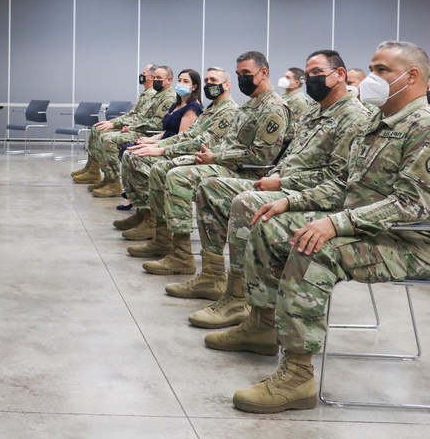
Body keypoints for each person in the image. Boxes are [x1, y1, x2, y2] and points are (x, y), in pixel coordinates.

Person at [206, 41, 430, 414]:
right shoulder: (379, 122)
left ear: (413, 77)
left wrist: (335, 223)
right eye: (371, 68)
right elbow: (345, 184)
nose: (372, 77)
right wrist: (290, 202)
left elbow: (412, 205)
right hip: (365, 227)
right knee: (270, 222)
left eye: (383, 70)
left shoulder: (422, 127)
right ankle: (261, 324)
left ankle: (298, 375)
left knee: (315, 247)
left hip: (408, 239)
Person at [172, 50, 371, 326]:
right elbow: (289, 158)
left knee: (244, 203)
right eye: (307, 72)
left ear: (340, 75)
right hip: (279, 183)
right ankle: (213, 276)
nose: (309, 78)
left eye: (317, 73)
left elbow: (337, 178)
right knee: (211, 188)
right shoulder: (315, 111)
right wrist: (277, 177)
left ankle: (242, 300)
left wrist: (282, 182)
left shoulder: (355, 117)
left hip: (313, 197)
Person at [136, 51, 291, 275]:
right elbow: (224, 143)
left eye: (246, 73)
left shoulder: (273, 107)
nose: (242, 79)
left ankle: (189, 258)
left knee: (178, 175)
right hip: (228, 163)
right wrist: (202, 154)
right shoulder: (249, 105)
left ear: (263, 72)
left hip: (248, 173)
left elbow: (262, 156)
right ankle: (168, 241)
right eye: (239, 74)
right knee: (164, 167)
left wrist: (215, 157)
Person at [117, 68, 237, 239]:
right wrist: (159, 144)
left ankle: (165, 234)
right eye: (207, 80)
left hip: (207, 158)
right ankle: (147, 216)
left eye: (214, 81)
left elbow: (201, 142)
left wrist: (162, 149)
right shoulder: (213, 108)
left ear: (226, 85)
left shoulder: (228, 110)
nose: (209, 84)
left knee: (158, 168)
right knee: (132, 154)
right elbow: (187, 135)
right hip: (190, 152)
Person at [116, 69, 203, 211]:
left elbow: (181, 138)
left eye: (186, 81)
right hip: (164, 142)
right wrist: (150, 139)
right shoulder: (176, 104)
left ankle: (147, 209)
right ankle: (137, 202)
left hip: (174, 149)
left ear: (194, 87)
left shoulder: (192, 108)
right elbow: (166, 130)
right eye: (180, 80)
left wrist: (156, 146)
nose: (181, 83)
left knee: (135, 156)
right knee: (129, 151)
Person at [88, 65, 176, 197]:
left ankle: (114, 183)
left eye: (159, 78)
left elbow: (157, 124)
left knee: (108, 139)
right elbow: (136, 115)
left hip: (149, 134)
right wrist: (120, 124)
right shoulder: (156, 95)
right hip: (140, 129)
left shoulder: (168, 98)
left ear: (169, 80)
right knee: (103, 133)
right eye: (154, 77)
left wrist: (132, 127)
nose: (155, 80)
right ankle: (107, 178)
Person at [72, 64, 156, 184]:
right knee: (97, 129)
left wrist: (116, 124)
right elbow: (131, 114)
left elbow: (140, 118)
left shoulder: (152, 94)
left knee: (106, 137)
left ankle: (111, 180)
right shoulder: (145, 93)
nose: (141, 75)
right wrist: (112, 122)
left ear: (151, 77)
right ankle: (92, 169)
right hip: (133, 127)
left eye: (144, 73)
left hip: (142, 131)